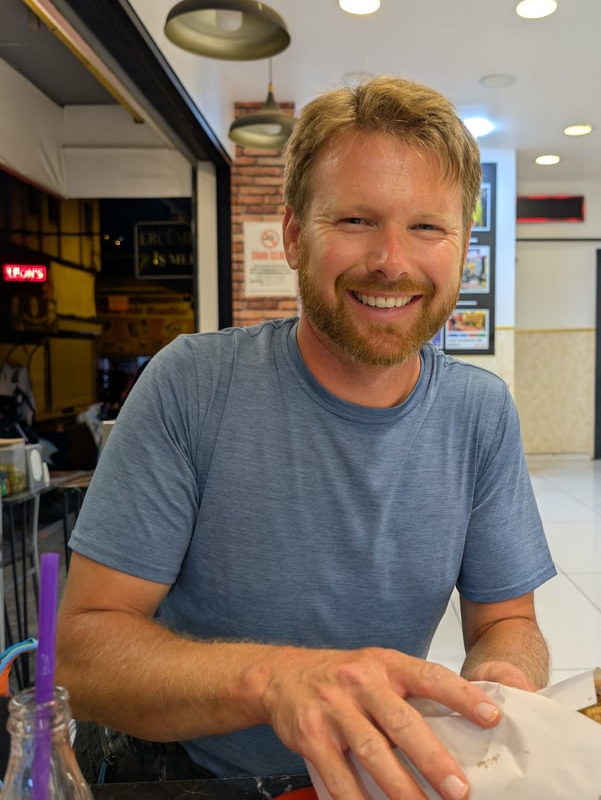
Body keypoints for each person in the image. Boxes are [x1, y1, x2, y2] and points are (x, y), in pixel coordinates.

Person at [56, 75, 556, 800]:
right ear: (293, 235)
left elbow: (508, 619)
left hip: (375, 774)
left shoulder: (479, 413)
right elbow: (82, 651)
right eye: (355, 220)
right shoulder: (193, 386)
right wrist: (278, 682)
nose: (392, 260)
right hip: (188, 772)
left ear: (463, 245)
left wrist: (502, 679)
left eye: (426, 226)